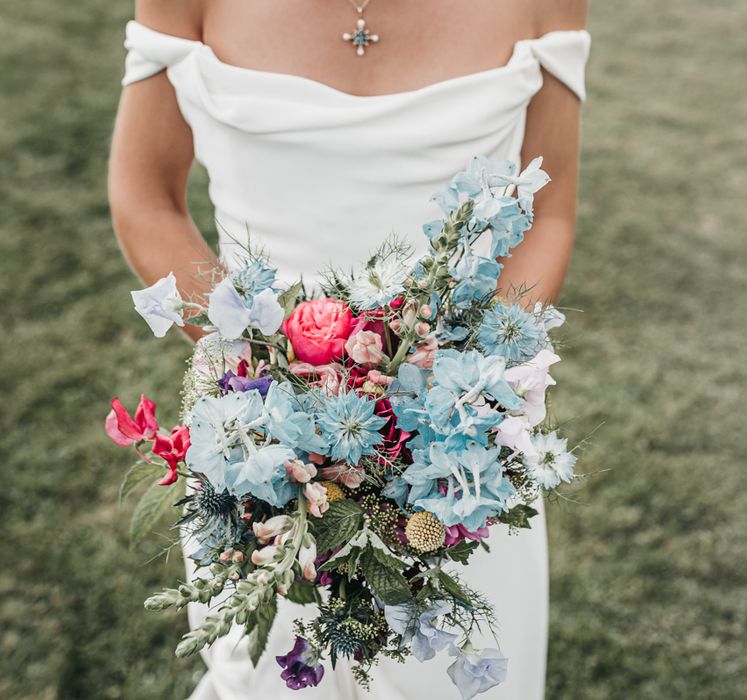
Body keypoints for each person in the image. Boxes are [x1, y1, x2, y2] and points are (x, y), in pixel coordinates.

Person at [109, 1, 590, 697]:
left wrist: (468, 380)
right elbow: (146, 194)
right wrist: (271, 372)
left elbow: (550, 210)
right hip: (262, 444)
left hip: (458, 459)